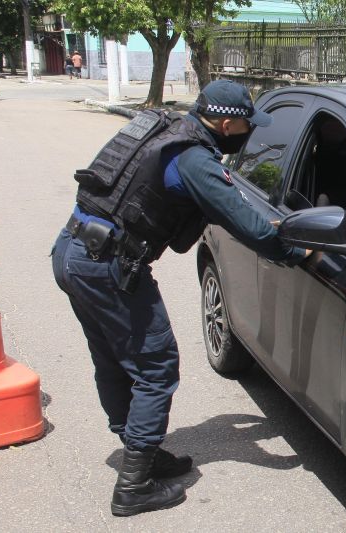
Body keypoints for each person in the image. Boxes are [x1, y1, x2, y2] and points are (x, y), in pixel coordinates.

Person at [51, 80, 311, 517]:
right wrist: (294, 251)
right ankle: (133, 486)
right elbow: (243, 221)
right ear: (226, 123)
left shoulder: (170, 128)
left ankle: (143, 453)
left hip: (75, 251)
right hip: (107, 264)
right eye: (247, 124)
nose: (250, 130)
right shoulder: (192, 158)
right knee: (155, 366)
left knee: (114, 359)